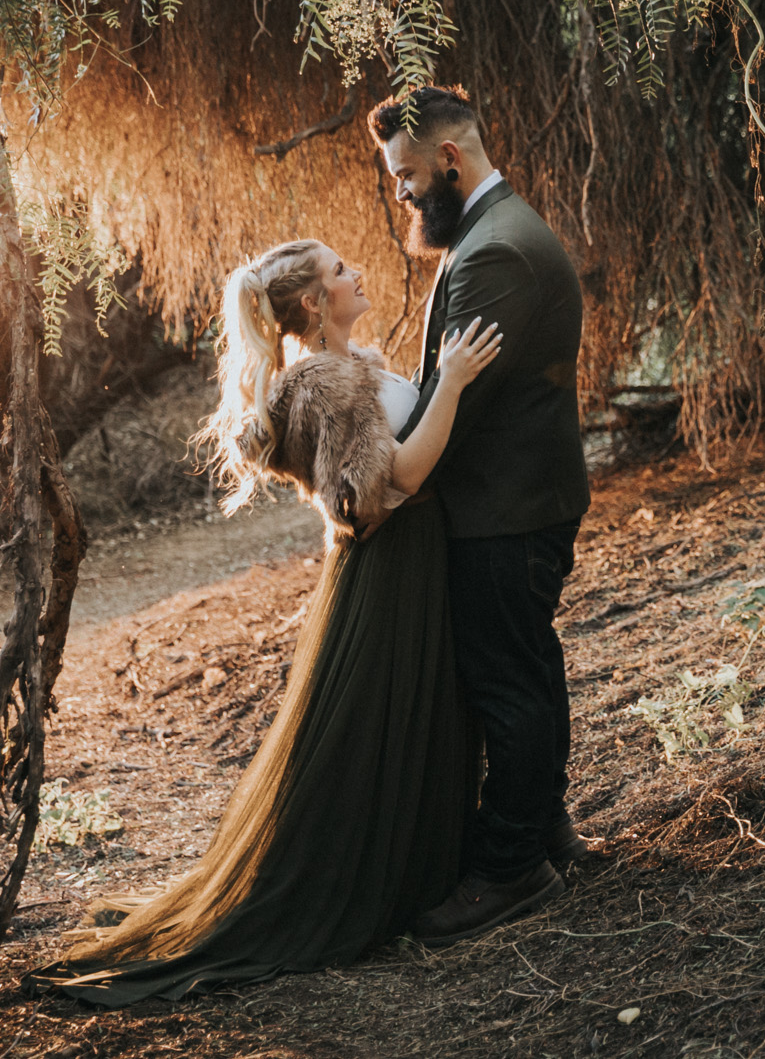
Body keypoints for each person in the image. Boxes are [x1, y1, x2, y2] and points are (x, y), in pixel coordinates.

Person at [30, 240, 501, 1005]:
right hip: (394, 572)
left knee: (408, 719)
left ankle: (419, 866)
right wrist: (449, 382)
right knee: (377, 726)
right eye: (341, 271)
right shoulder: (318, 383)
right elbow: (389, 487)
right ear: (313, 302)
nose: (356, 274)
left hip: (416, 563)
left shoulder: (350, 366)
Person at [369, 84, 593, 946]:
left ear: (450, 161)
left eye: (408, 176)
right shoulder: (489, 235)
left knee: (507, 682)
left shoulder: (496, 252)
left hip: (506, 508)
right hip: (518, 499)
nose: (402, 195)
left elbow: (450, 413)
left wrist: (388, 468)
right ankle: (542, 829)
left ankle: (508, 868)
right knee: (528, 667)